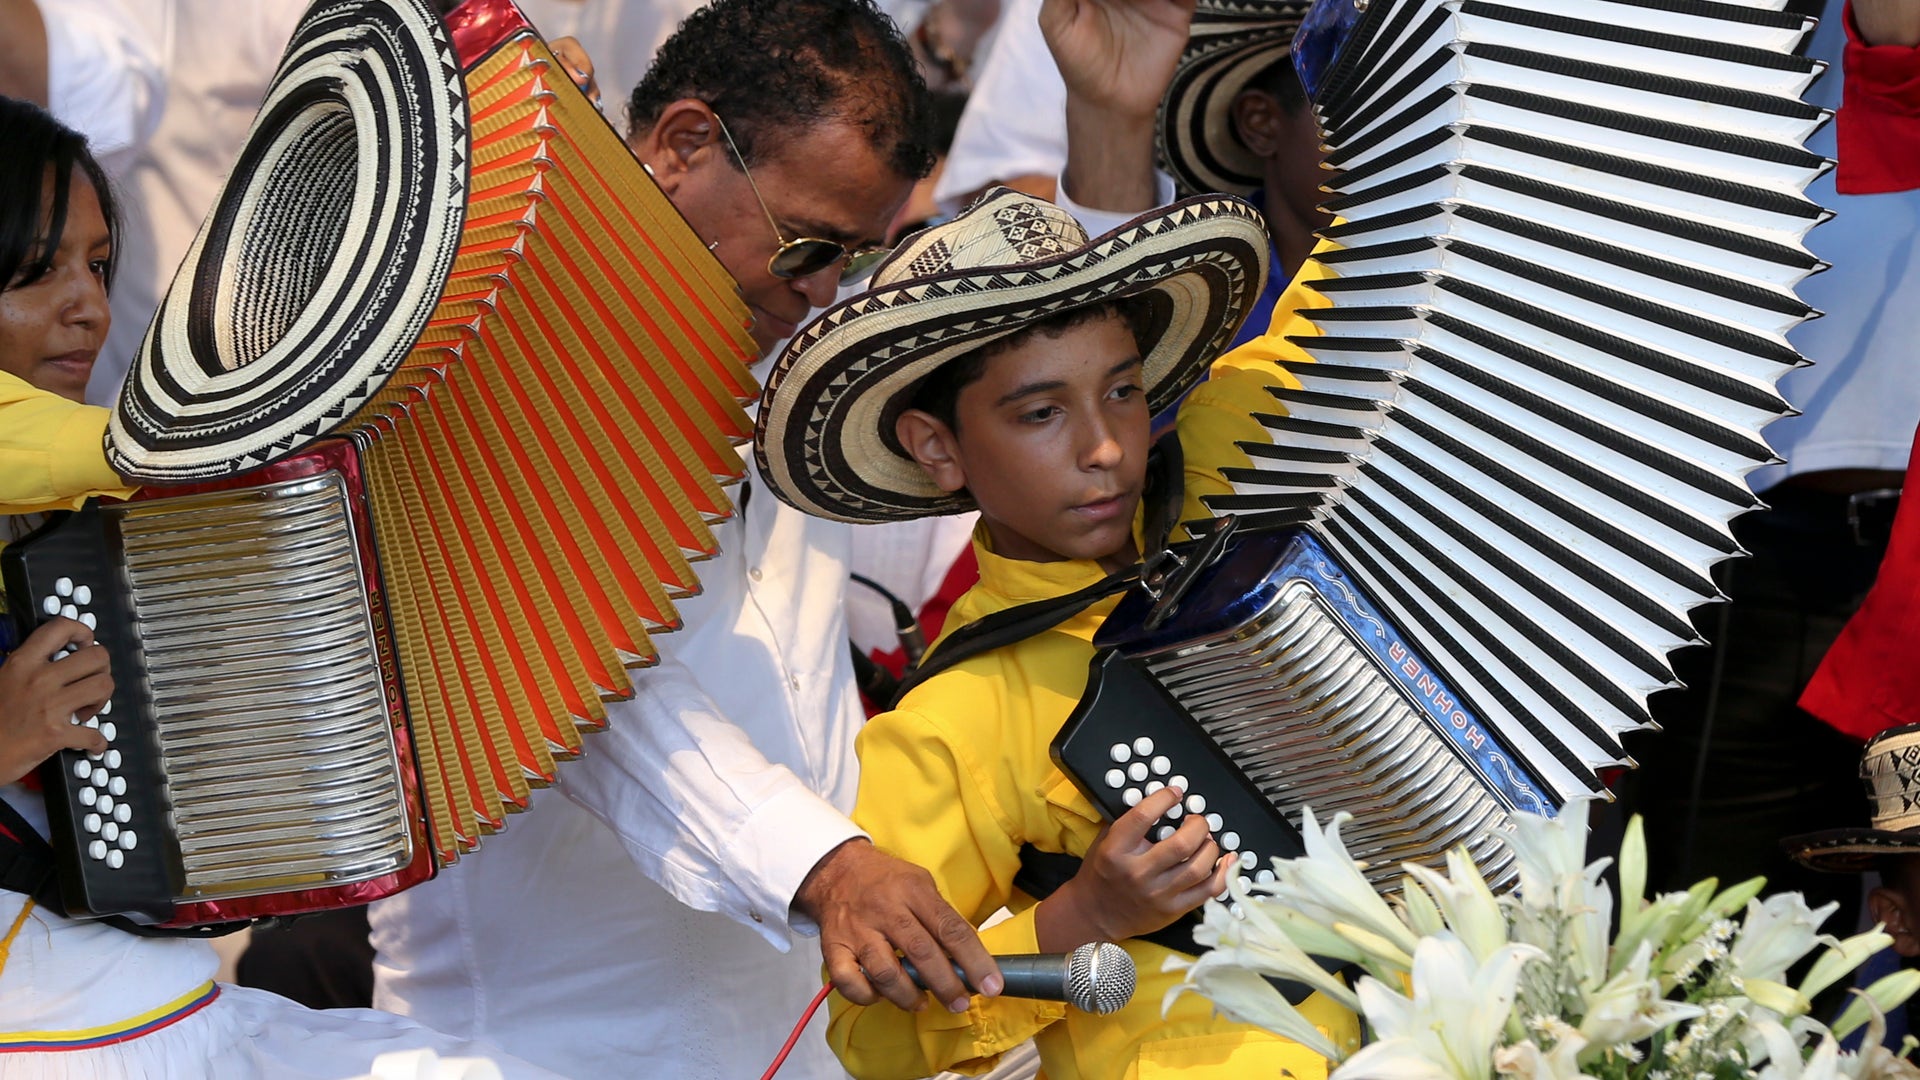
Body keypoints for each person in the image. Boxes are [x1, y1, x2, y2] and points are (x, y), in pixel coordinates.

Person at [367, 2, 1014, 1076]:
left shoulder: (793, 345)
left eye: (849, 260)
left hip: (798, 1021)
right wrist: (826, 867)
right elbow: (589, 691)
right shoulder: (484, 342)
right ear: (683, 145)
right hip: (540, 1041)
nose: (817, 293)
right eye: (807, 244)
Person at [0, 94, 556, 1080]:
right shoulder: (80, 458)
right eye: (39, 272)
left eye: (94, 264)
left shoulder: (70, 515)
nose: (87, 303)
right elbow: (123, 453)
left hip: (154, 1008)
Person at [754, 182, 1357, 1078]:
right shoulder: (957, 715)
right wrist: (1083, 920)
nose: (1106, 447)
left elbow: (1374, 286)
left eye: (1121, 392)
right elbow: (871, 1039)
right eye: (1041, 414)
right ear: (936, 447)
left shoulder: (1235, 453)